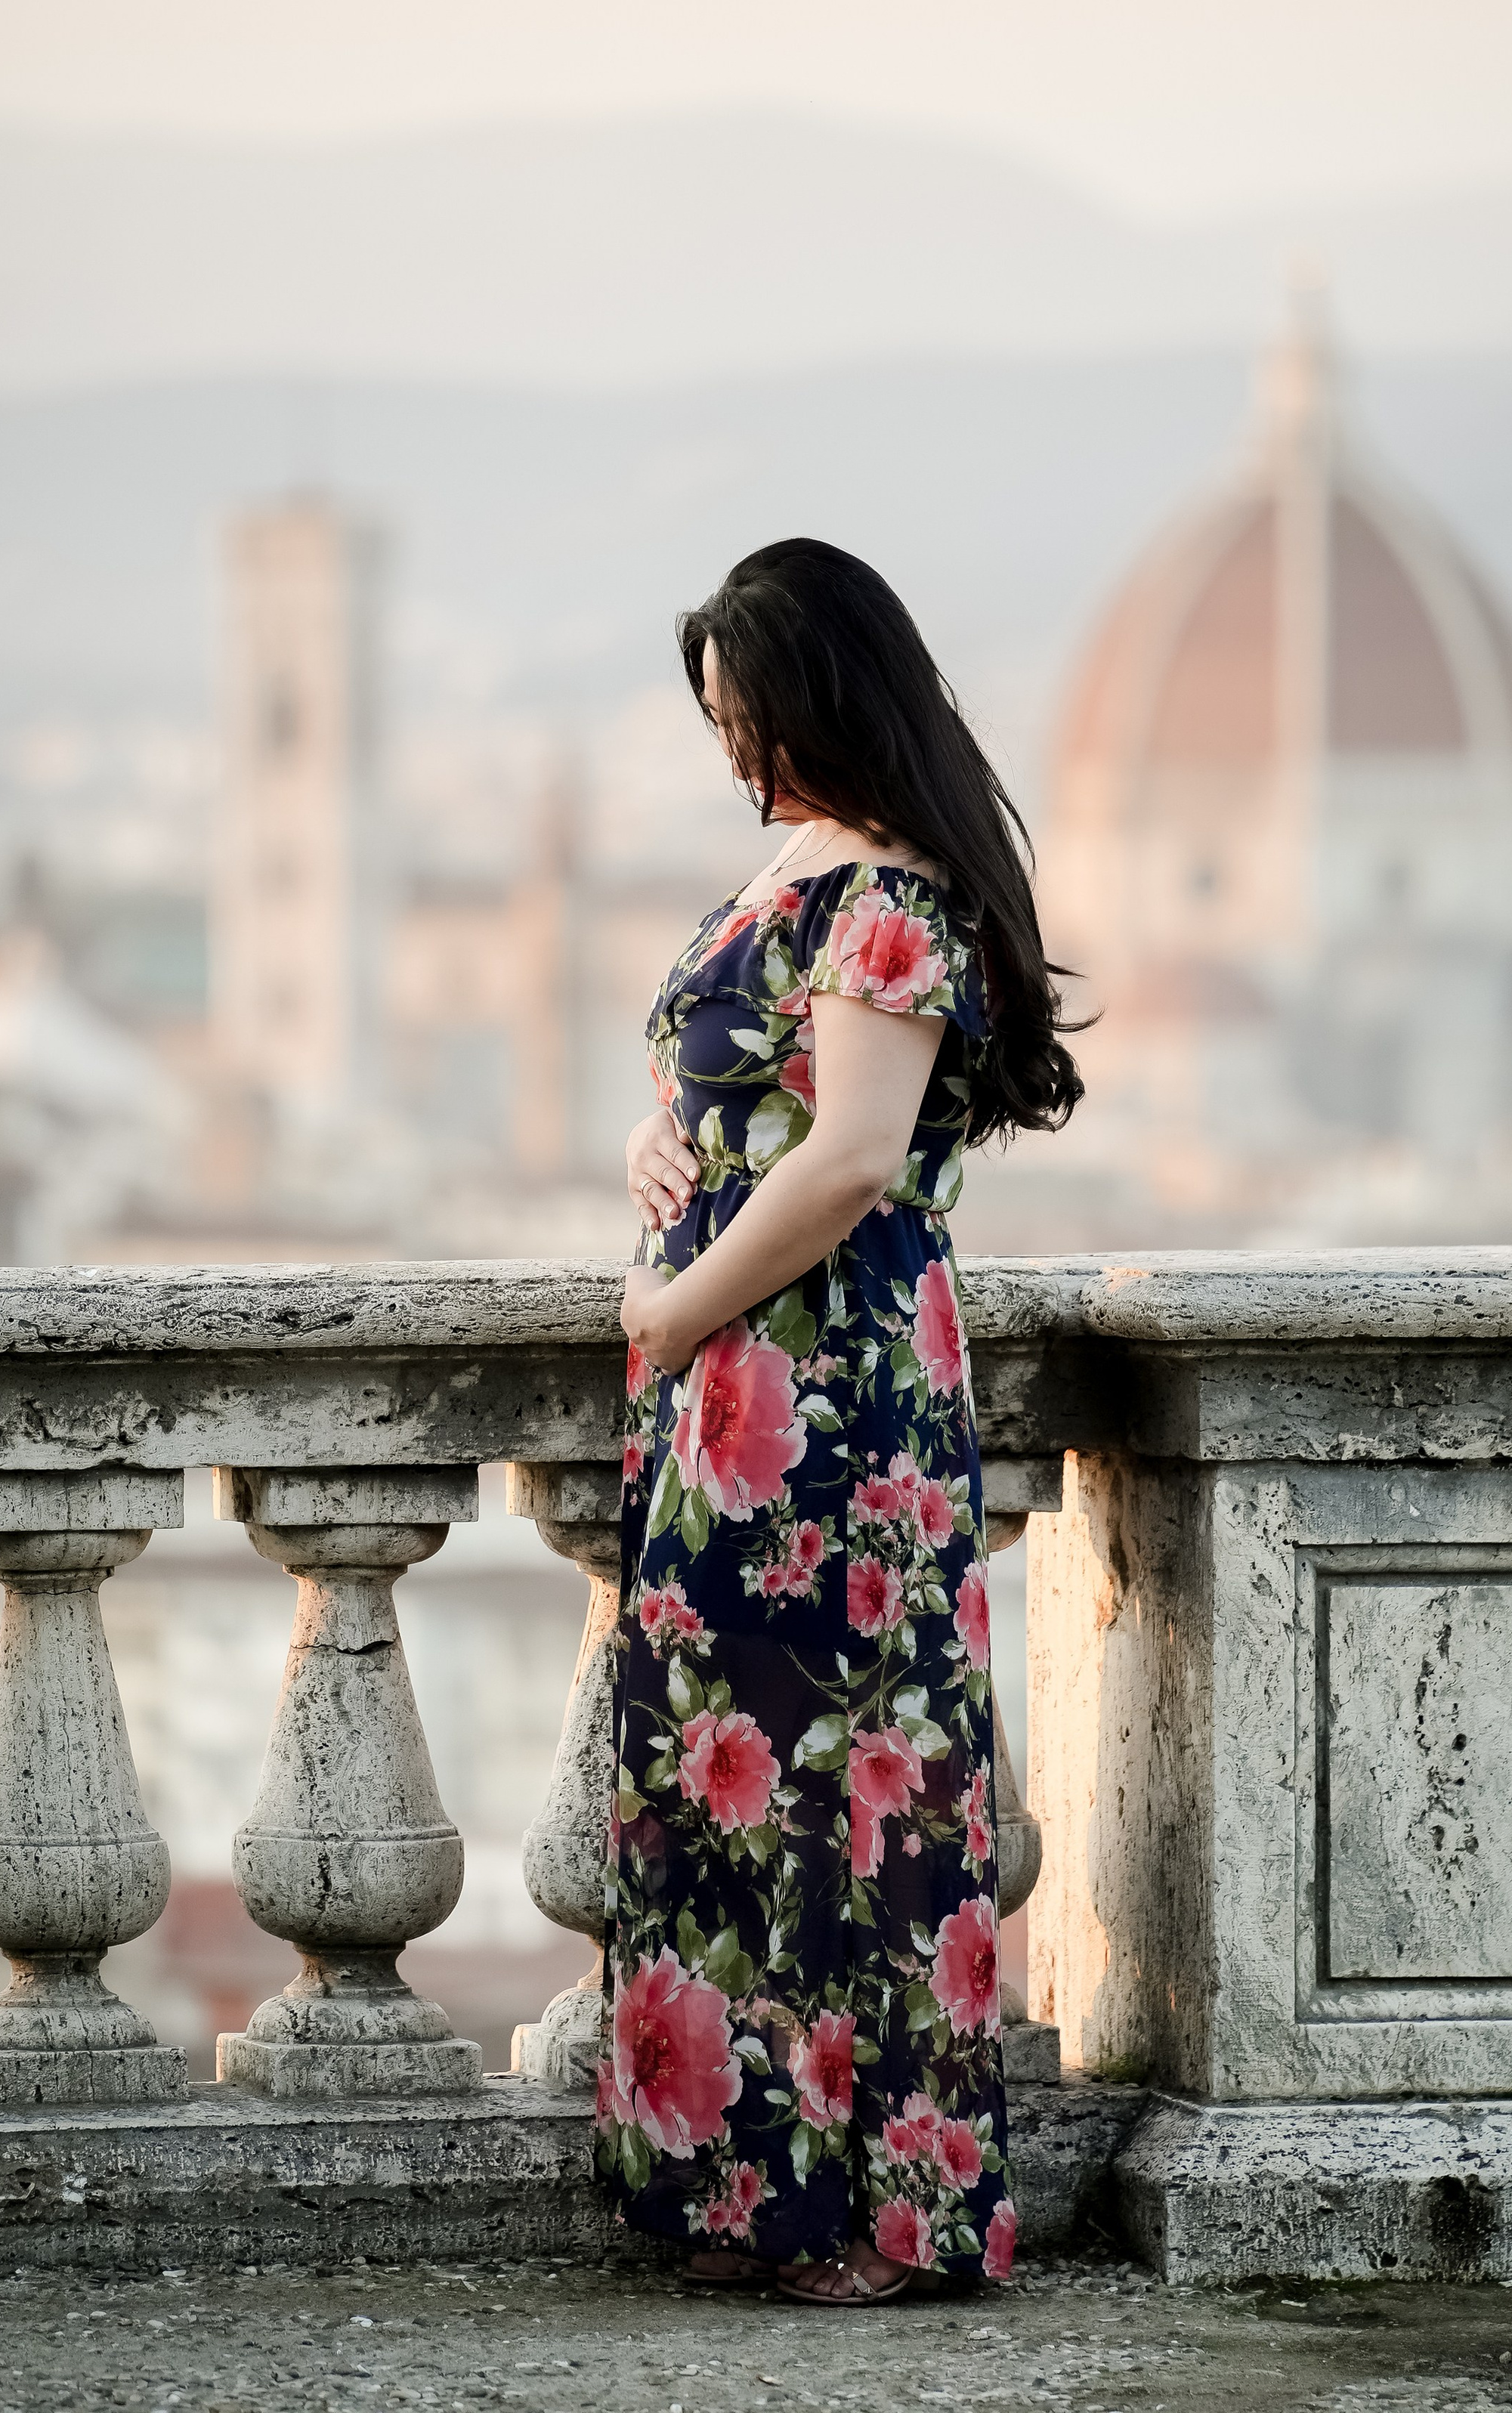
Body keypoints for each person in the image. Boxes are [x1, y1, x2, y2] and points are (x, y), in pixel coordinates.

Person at [598, 537, 1084, 2305]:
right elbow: (735, 1100)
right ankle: (751, 2190)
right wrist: (647, 1157)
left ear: (816, 696)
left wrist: (666, 1302)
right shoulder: (788, 875)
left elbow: (856, 1156)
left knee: (846, 1790)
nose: (733, 746)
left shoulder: (891, 895)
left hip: (825, 1399)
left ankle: (876, 2213)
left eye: (747, 710)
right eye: (717, 716)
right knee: (732, 1784)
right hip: (730, 1397)